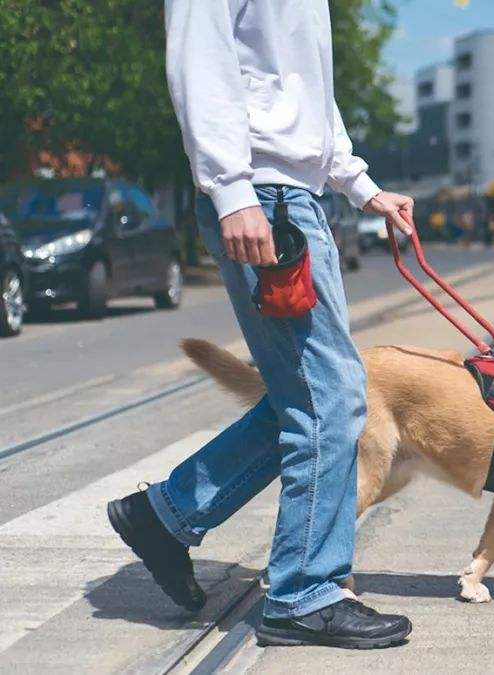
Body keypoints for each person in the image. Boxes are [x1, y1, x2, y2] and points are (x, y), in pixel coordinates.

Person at [106, 0, 414, 650]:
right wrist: (232, 188)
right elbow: (201, 59)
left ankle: (165, 514)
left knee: (312, 396)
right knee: (332, 397)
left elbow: (301, 86)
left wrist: (359, 185)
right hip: (264, 198)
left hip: (294, 195)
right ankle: (305, 592)